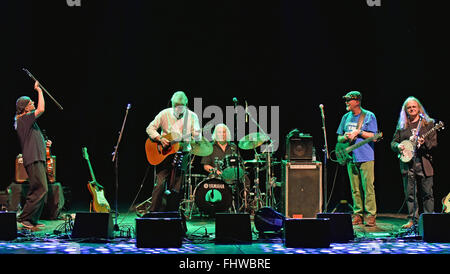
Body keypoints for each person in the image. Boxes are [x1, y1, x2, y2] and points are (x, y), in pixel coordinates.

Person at [146, 91, 201, 212]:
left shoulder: (192, 116)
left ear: (186, 104)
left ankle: (172, 214)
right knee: (160, 184)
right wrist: (160, 139)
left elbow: (197, 137)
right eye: (175, 105)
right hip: (164, 154)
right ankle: (153, 214)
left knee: (177, 186)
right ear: (172, 103)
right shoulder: (164, 113)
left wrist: (195, 135)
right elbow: (150, 128)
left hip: (183, 153)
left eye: (181, 105)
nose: (178, 108)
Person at [391, 96, 437, 229]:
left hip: (424, 163)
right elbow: (393, 142)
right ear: (405, 110)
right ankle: (412, 220)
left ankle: (429, 220)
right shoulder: (402, 126)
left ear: (419, 108)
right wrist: (398, 146)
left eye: (413, 107)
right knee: (410, 194)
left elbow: (433, 144)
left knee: (427, 193)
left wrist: (424, 142)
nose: (411, 109)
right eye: (409, 107)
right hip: (407, 163)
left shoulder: (428, 124)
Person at [337, 91, 378, 227]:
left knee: (368, 187)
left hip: (366, 156)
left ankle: (371, 215)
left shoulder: (369, 116)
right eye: (346, 100)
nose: (346, 102)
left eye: (349, 100)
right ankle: (358, 214)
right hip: (350, 157)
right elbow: (339, 137)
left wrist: (358, 132)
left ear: (357, 101)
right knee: (355, 189)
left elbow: (374, 136)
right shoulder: (345, 117)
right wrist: (346, 137)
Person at [14, 81, 49, 229]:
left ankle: (31, 219)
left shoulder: (26, 121)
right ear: (25, 107)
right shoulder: (23, 119)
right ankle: (24, 219)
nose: (33, 102)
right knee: (40, 188)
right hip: (33, 158)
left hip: (37, 157)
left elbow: (33, 138)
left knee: (40, 188)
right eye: (30, 102)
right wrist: (39, 91)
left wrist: (44, 142)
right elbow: (41, 109)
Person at [201, 123, 250, 211]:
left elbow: (240, 162)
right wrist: (216, 171)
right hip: (218, 176)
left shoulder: (233, 147)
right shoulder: (210, 147)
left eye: (224, 132)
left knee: (245, 178)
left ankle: (245, 204)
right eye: (219, 132)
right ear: (215, 134)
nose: (222, 135)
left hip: (233, 174)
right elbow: (206, 166)